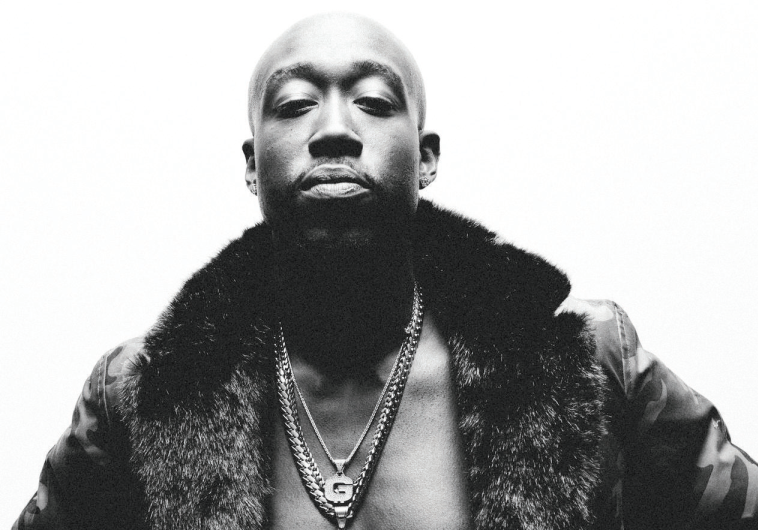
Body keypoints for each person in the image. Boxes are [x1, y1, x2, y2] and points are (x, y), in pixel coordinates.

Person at [13, 12, 758, 530]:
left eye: (373, 101)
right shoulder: (138, 399)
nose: (335, 129)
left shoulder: (588, 365)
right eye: (294, 105)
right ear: (251, 164)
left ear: (426, 158)